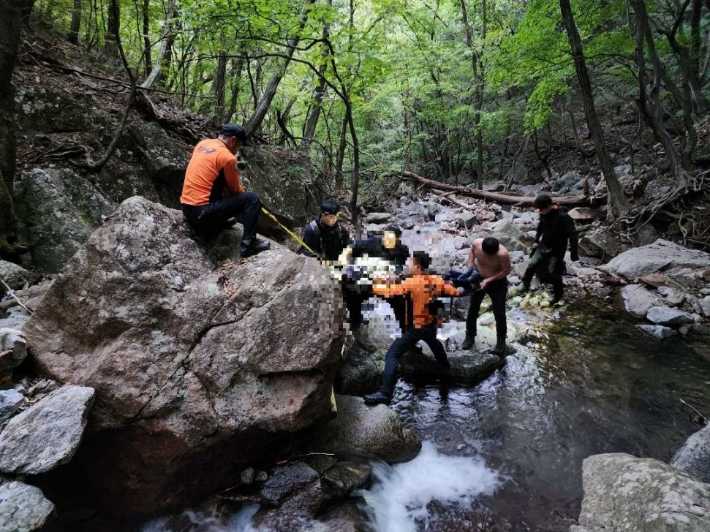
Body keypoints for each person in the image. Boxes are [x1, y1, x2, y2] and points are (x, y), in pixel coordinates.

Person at [363, 251, 464, 406]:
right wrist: (460, 290)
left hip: (417, 327)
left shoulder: (413, 282)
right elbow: (452, 291)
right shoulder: (436, 279)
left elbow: (390, 292)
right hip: (431, 325)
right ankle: (445, 367)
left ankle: (385, 393)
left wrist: (372, 286)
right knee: (432, 341)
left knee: (392, 355)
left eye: (410, 263)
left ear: (416, 266)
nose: (408, 265)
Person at [180, 124, 270, 257]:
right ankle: (249, 245)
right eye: (239, 145)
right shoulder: (227, 157)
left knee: (217, 180)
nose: (239, 149)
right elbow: (235, 190)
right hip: (201, 214)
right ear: (232, 140)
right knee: (252, 199)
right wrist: (243, 191)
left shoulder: (202, 144)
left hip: (187, 208)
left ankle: (218, 222)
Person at [344, 226, 410, 334]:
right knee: (352, 292)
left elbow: (400, 268)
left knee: (402, 301)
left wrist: (394, 275)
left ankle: (406, 332)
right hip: (369, 279)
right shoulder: (374, 242)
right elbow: (353, 247)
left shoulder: (402, 250)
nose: (386, 240)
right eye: (385, 237)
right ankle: (355, 321)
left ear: (398, 240)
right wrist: (346, 255)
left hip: (387, 283)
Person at [522, 194, 579, 304]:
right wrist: (536, 240)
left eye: (540, 209)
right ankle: (525, 284)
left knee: (554, 272)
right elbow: (540, 227)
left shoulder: (563, 217)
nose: (539, 212)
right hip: (544, 244)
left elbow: (573, 234)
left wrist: (574, 252)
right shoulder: (544, 214)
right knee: (532, 264)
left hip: (558, 248)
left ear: (548, 207)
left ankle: (558, 295)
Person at [461, 236, 512, 355]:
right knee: (472, 309)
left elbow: (506, 270)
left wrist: (489, 280)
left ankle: (501, 342)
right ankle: (470, 336)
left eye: (491, 255)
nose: (488, 257)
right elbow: (472, 252)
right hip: (478, 278)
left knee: (499, 313)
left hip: (498, 284)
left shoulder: (502, 254)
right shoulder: (476, 244)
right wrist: (469, 266)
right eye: (486, 254)